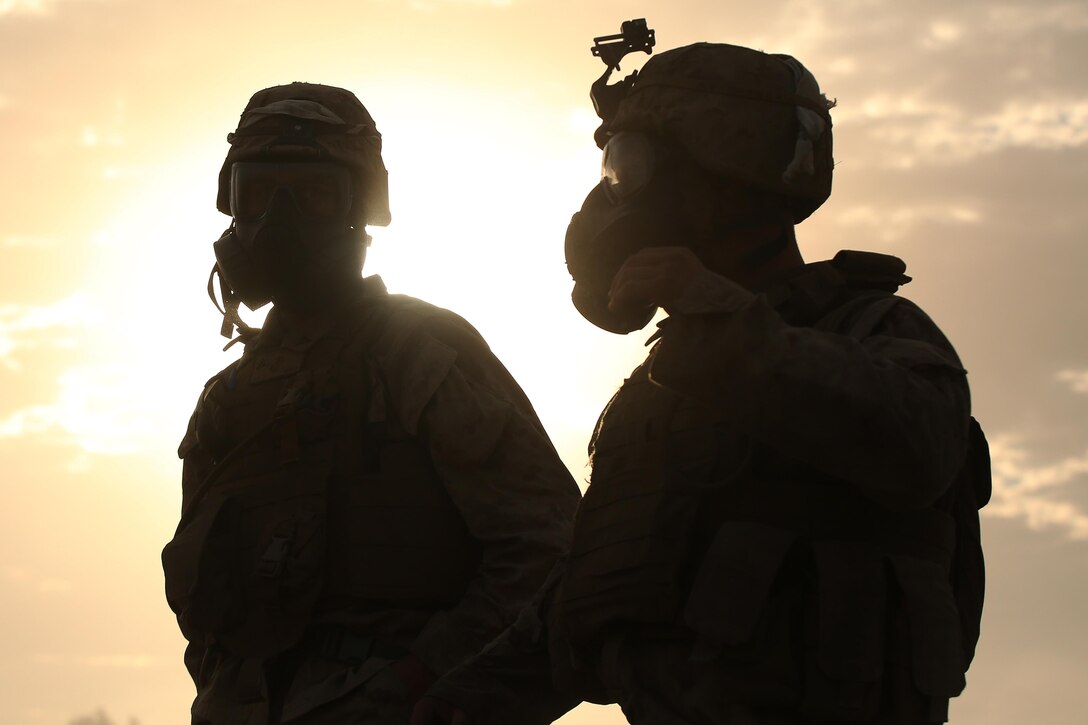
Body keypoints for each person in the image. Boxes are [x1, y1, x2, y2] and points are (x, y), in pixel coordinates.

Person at [412, 41, 989, 725]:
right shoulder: (658, 392)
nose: (616, 194)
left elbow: (921, 443)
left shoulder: (871, 326)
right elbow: (579, 609)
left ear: (725, 170)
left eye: (633, 165)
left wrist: (719, 316)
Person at [161, 82, 582, 725]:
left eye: (314, 195)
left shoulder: (419, 354)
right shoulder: (230, 400)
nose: (282, 220)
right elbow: (210, 619)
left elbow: (547, 555)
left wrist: (421, 683)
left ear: (360, 210)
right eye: (260, 193)